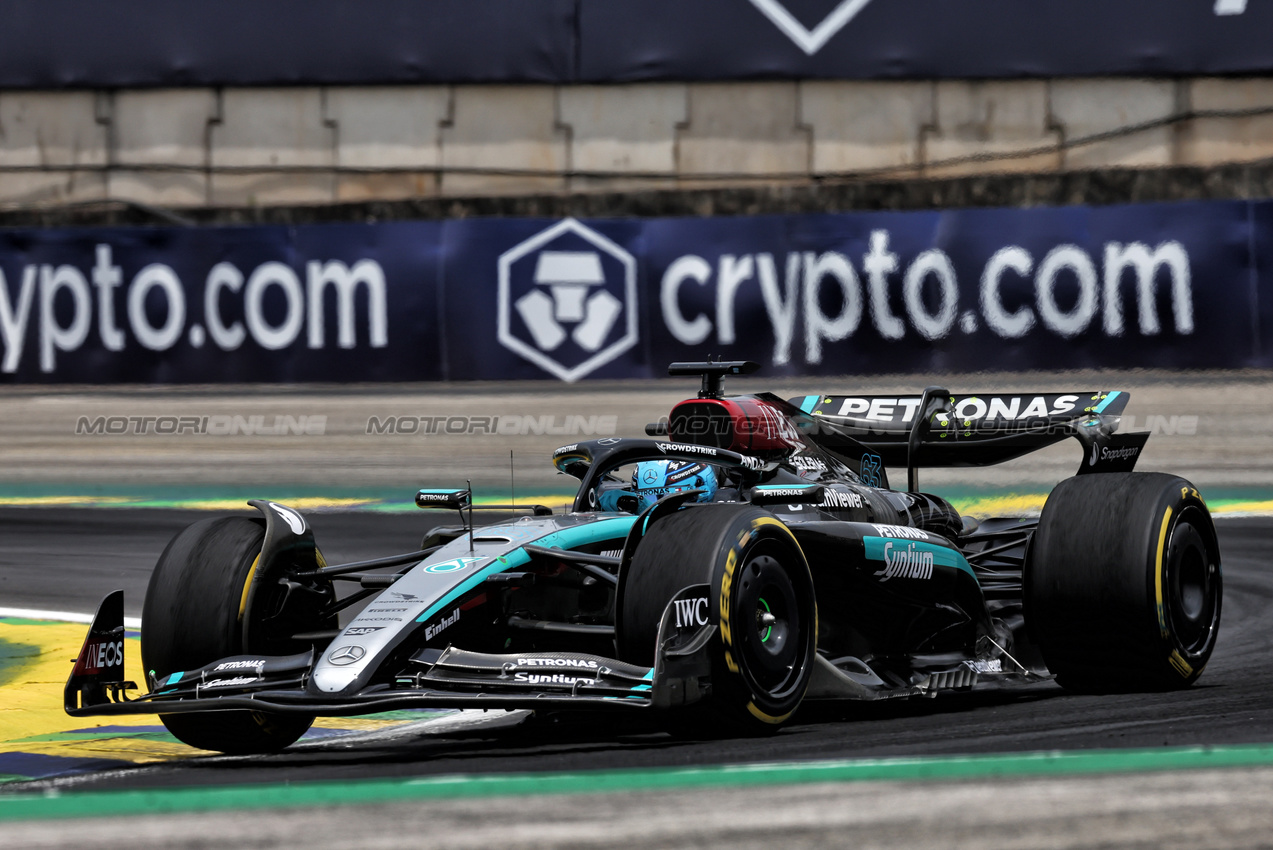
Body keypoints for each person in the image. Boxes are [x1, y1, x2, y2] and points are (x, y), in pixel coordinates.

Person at [596, 459, 718, 513]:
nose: (653, 503)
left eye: (666, 497)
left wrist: (641, 506)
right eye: (646, 497)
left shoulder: (716, 527)